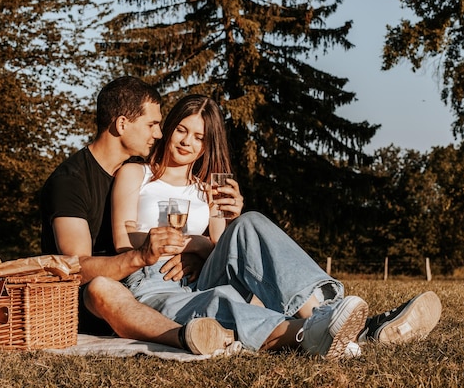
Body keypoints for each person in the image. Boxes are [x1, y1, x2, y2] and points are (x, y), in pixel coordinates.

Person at [110, 94, 443, 359]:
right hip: (154, 279)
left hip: (201, 273)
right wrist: (171, 245)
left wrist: (200, 242)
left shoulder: (208, 187)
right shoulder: (137, 173)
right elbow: (123, 244)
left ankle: (327, 313)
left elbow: (224, 248)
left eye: (199, 136)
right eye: (182, 130)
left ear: (207, 144)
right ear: (169, 128)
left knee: (249, 221)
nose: (187, 142)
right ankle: (356, 331)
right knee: (218, 300)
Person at [41, 76, 236, 355]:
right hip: (93, 303)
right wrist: (143, 256)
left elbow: (213, 239)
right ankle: (185, 337)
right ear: (122, 124)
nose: (159, 133)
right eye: (152, 125)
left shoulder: (135, 175)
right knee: (100, 287)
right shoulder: (70, 181)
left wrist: (193, 248)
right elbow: (77, 268)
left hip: (147, 285)